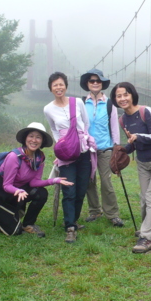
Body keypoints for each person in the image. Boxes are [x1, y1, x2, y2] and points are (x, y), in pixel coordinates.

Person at [0, 123, 72, 237]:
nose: (34, 140)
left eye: (38, 137)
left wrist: (54, 180)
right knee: (14, 231)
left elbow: (34, 182)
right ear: (25, 138)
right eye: (31, 136)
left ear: (42, 141)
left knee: (41, 193)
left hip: (16, 191)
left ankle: (28, 224)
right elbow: (7, 185)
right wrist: (19, 191)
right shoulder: (14, 157)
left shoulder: (39, 158)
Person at [111, 82, 151, 253]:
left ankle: (147, 237)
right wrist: (122, 152)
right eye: (118, 96)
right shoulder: (123, 119)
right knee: (145, 198)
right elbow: (133, 143)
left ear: (132, 95)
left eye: (126, 94)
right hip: (143, 162)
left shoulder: (146, 112)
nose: (122, 98)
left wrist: (137, 136)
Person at [44, 72, 94, 243]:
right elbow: (54, 129)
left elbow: (86, 123)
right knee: (69, 191)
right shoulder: (48, 109)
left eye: (61, 84)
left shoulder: (77, 102)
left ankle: (73, 219)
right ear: (51, 88)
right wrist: (61, 145)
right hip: (66, 154)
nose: (58, 87)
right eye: (55, 85)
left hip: (83, 151)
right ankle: (70, 227)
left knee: (81, 189)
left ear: (65, 86)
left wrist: (82, 139)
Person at [80, 69, 124, 227]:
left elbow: (114, 127)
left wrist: (116, 148)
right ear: (87, 84)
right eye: (92, 81)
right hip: (87, 149)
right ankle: (94, 210)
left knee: (106, 182)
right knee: (89, 181)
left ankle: (112, 214)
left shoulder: (110, 104)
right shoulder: (81, 103)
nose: (95, 83)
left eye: (98, 81)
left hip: (105, 148)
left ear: (102, 84)